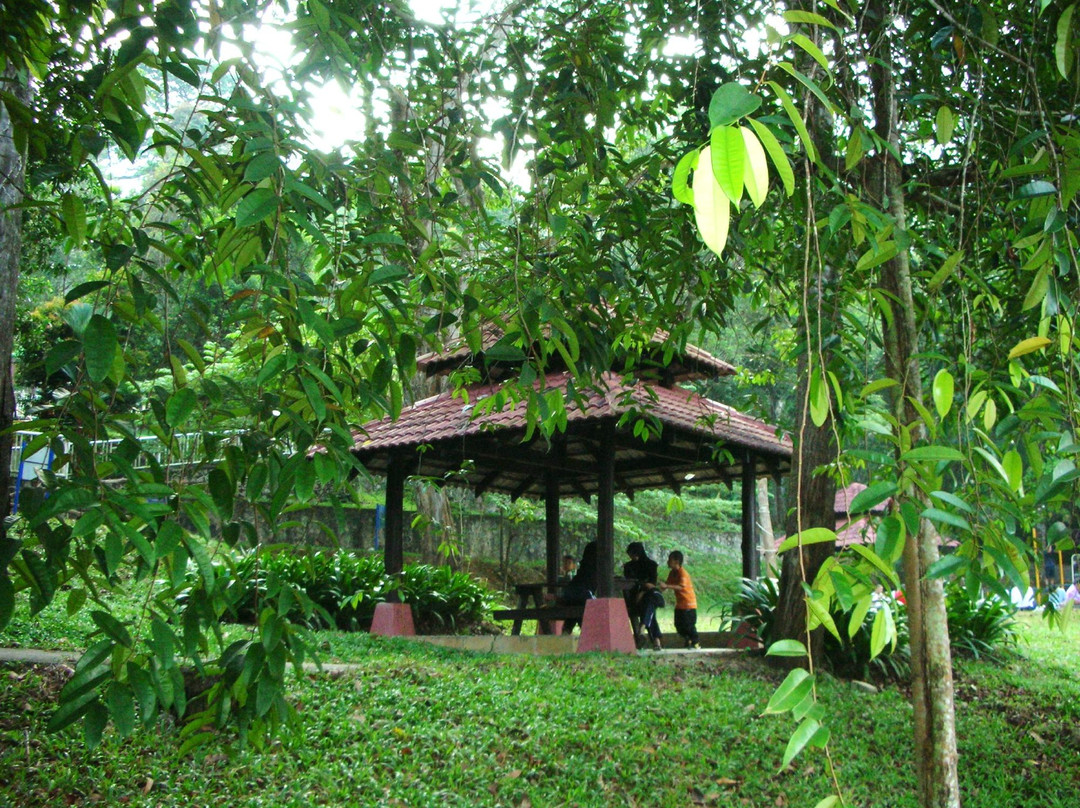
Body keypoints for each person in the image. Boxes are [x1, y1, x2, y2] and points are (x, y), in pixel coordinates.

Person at [623, 542, 664, 651]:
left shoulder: (651, 565)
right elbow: (630, 584)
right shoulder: (628, 567)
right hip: (635, 598)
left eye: (633, 554)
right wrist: (641, 590)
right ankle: (655, 639)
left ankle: (643, 628)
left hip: (647, 595)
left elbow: (652, 584)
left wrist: (642, 591)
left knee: (648, 602)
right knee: (650, 607)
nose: (632, 557)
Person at [659, 550, 699, 649]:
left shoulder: (683, 573)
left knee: (689, 626)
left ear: (677, 561)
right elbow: (667, 584)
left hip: (689, 604)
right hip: (680, 605)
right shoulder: (672, 573)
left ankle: (695, 642)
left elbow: (681, 587)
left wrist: (667, 586)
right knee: (678, 625)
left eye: (670, 560)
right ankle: (688, 640)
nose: (668, 562)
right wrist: (661, 586)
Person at [557, 541, 597, 635]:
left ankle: (567, 630)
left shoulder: (584, 566)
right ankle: (586, 633)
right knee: (585, 605)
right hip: (581, 596)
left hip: (570, 596)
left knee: (576, 608)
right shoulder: (595, 568)